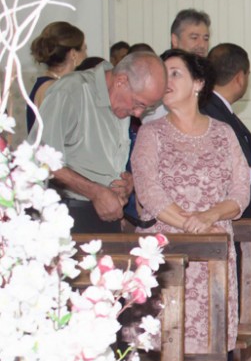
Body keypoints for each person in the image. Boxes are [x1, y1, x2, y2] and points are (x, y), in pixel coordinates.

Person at [132, 49, 250, 361]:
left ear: (199, 83)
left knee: (204, 348)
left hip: (212, 256)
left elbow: (241, 190)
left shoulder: (223, 133)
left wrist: (210, 216)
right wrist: (186, 223)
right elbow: (148, 189)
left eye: (175, 74)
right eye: (163, 75)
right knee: (168, 346)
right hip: (167, 255)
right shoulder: (151, 133)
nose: (167, 82)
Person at [37, 51, 166, 233]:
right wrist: (95, 192)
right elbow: (40, 160)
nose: (138, 113)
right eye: (139, 104)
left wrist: (127, 183)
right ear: (121, 81)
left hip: (106, 216)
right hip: (67, 215)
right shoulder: (71, 91)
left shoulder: (120, 100)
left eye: (147, 108)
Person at [203, 43, 251, 266]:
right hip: (229, 226)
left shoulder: (220, 109)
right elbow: (211, 173)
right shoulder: (209, 112)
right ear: (239, 78)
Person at [27, 22, 87, 133]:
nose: (86, 55)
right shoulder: (55, 89)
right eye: (84, 49)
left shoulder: (49, 84)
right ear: (73, 54)